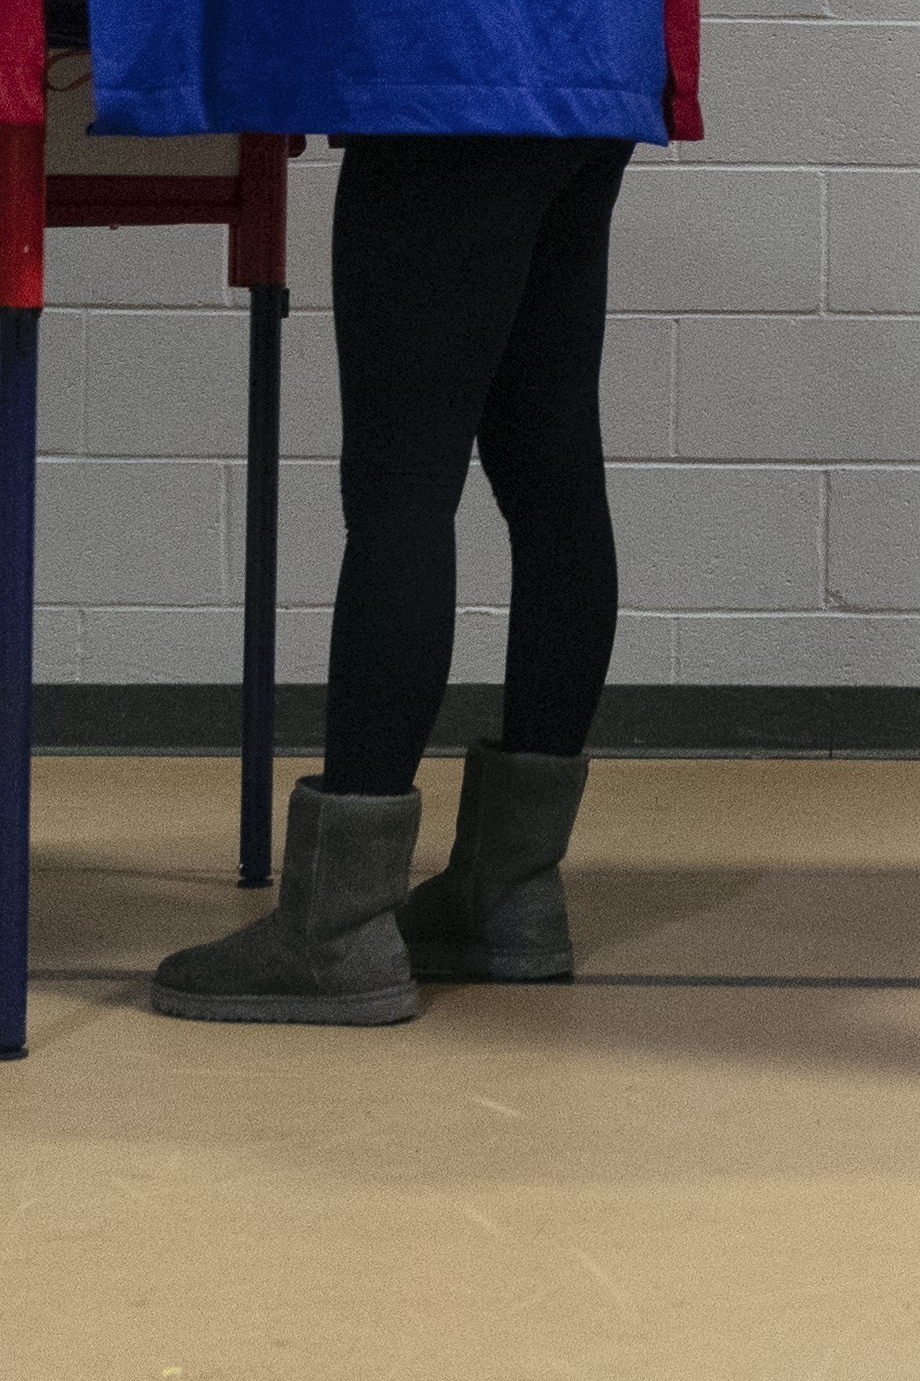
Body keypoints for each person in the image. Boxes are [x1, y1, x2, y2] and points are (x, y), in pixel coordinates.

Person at [150, 135, 634, 1025]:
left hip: (444, 67)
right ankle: (510, 895)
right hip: (592, 59)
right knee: (552, 469)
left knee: (402, 483)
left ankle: (335, 929)